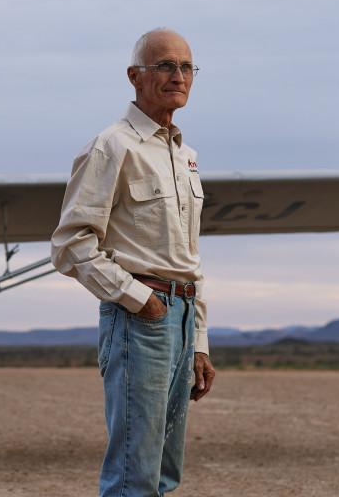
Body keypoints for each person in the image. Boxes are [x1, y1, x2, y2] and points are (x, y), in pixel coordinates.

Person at [51, 27, 215, 497]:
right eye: (165, 65)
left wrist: (199, 340)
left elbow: (188, 260)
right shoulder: (111, 146)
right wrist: (139, 299)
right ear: (135, 76)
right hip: (142, 319)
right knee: (134, 474)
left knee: (164, 474)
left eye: (186, 67)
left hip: (181, 317)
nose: (177, 76)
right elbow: (71, 243)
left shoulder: (186, 157)